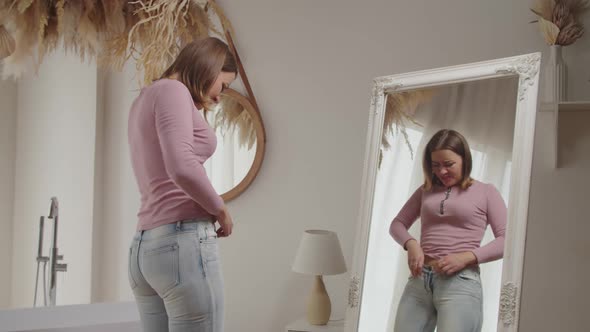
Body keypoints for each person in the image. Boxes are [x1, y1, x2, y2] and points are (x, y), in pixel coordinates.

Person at [127, 37, 237, 332]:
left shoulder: (145, 97)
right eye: (223, 86)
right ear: (208, 67)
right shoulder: (172, 90)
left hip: (145, 248)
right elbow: (181, 166)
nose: (219, 97)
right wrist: (220, 209)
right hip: (180, 243)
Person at [390, 129, 507, 332]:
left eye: (449, 164)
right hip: (420, 281)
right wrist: (411, 244)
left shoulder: (486, 192)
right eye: (435, 165)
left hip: (461, 282)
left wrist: (467, 257)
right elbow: (397, 224)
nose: (442, 171)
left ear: (464, 159)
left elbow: (507, 241)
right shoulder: (425, 191)